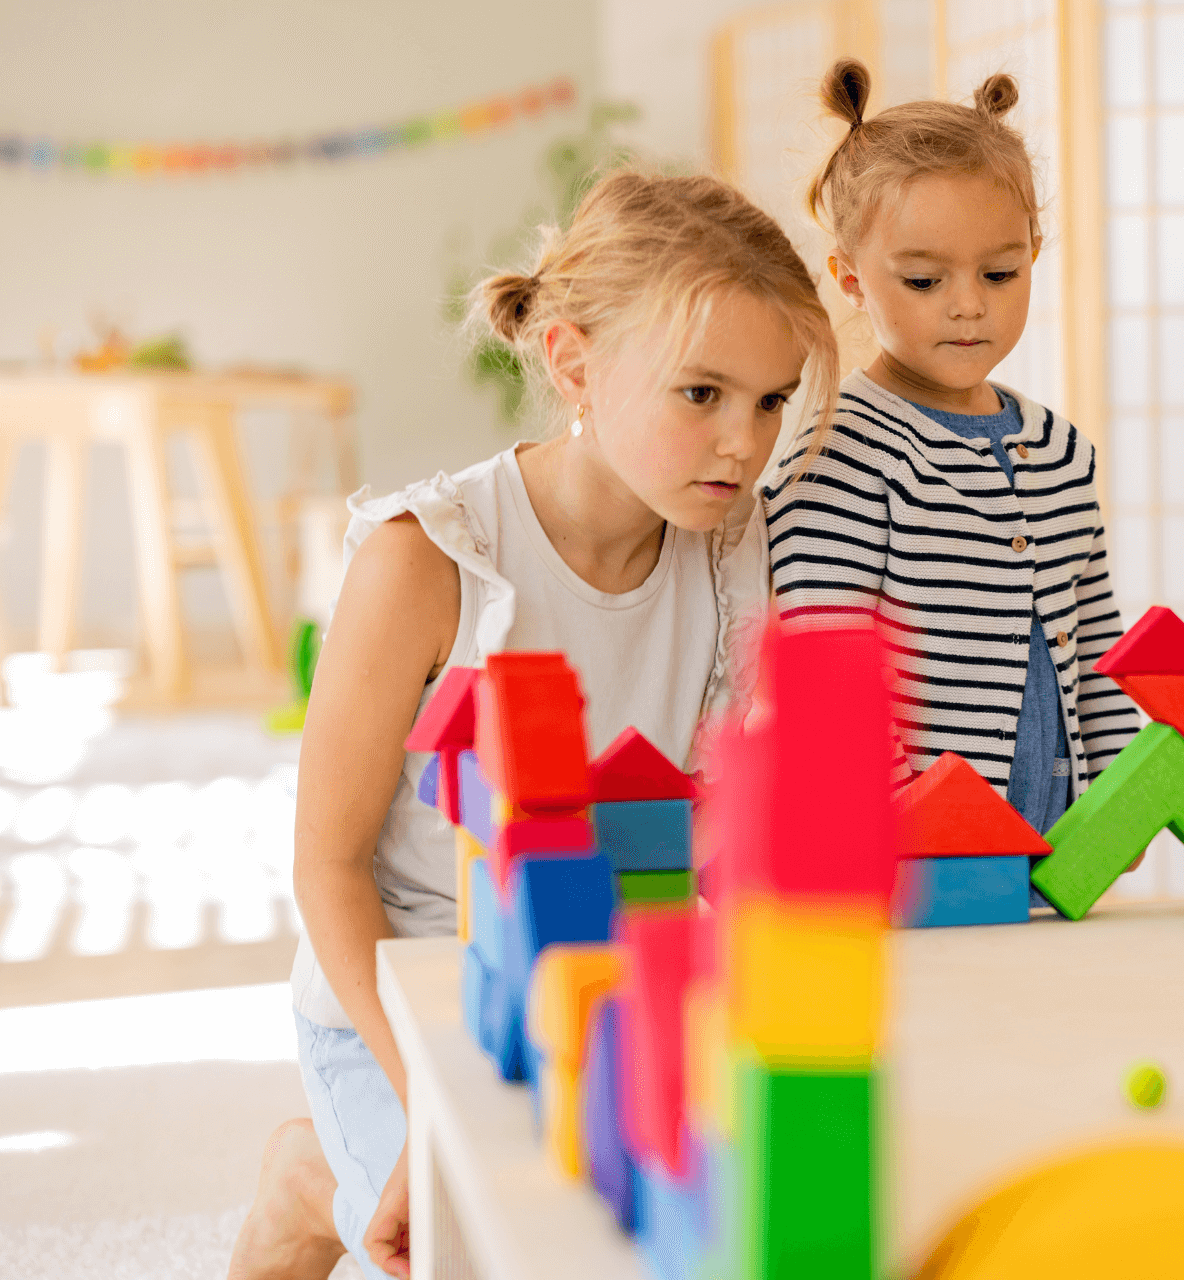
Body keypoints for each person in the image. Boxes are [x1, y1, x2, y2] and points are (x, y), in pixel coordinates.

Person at [227, 171, 836, 1280]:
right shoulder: (425, 559)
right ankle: (308, 1177)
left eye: (770, 401)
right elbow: (325, 864)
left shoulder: (735, 546)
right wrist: (431, 1101)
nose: (743, 443)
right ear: (571, 363)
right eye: (701, 393)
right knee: (468, 1244)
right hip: (406, 988)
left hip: (591, 976)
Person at [766, 59, 1138, 841]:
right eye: (926, 281)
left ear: (1035, 251)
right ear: (852, 279)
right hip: (917, 856)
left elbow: (1100, 647)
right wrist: (914, 832)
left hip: (1059, 847)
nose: (969, 305)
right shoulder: (837, 453)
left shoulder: (1064, 453)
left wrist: (1121, 806)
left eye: (1000, 272)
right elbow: (824, 668)